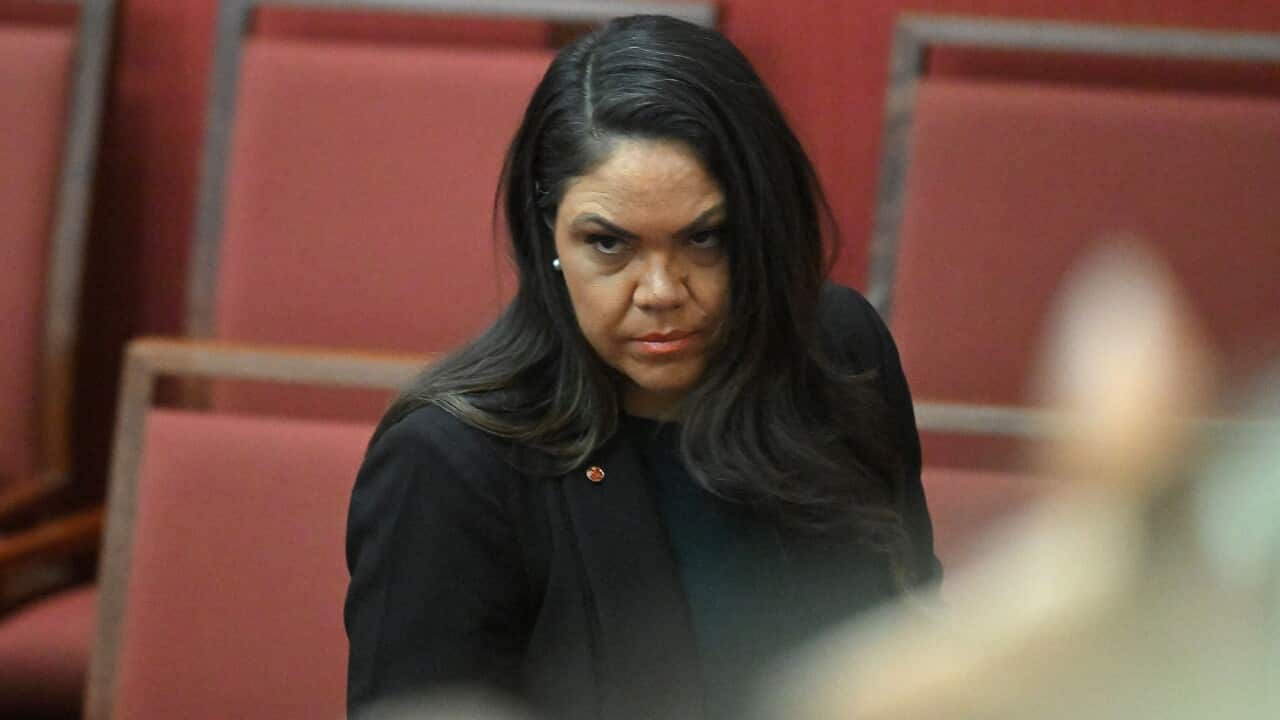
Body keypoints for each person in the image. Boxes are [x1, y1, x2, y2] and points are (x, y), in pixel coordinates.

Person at [345, 14, 940, 720]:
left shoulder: (838, 354)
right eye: (609, 244)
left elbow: (917, 638)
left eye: (704, 238)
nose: (661, 292)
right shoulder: (449, 466)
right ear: (550, 238)